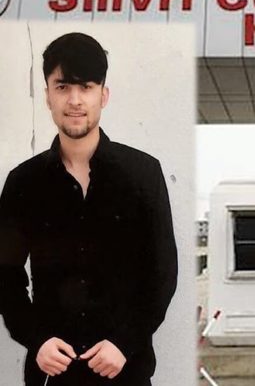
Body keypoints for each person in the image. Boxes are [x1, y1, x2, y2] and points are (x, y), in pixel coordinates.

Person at [0, 32, 178, 385]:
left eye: (86, 87)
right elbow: (5, 274)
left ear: (103, 95)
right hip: (53, 373)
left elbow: (161, 272)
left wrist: (125, 342)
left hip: (126, 370)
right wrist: (37, 340)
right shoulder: (23, 182)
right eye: (63, 87)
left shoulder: (142, 173)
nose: (75, 100)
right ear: (47, 96)